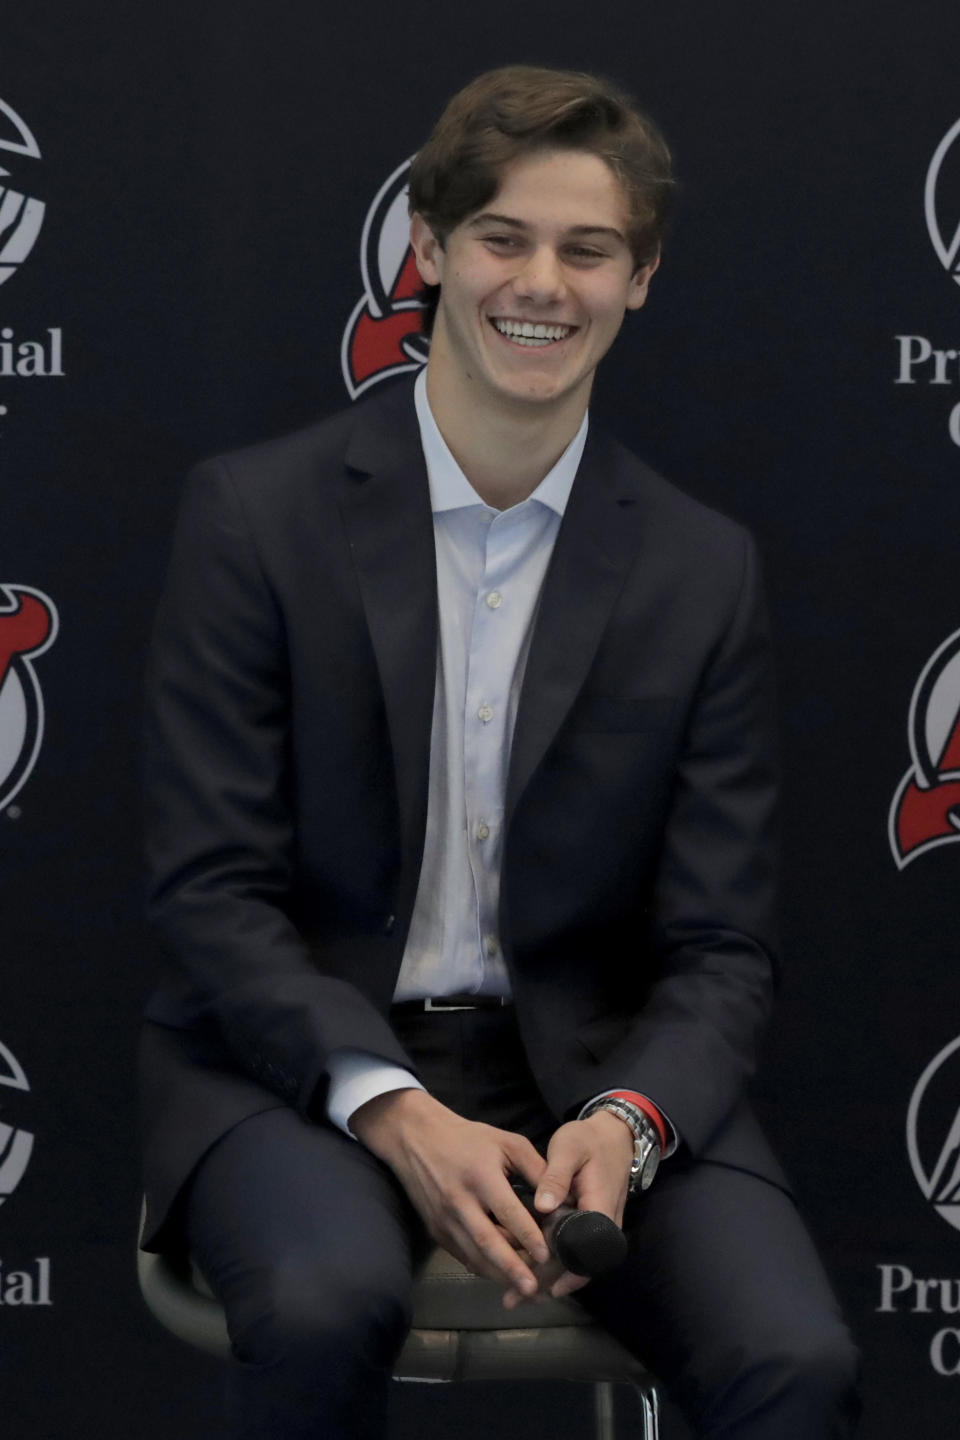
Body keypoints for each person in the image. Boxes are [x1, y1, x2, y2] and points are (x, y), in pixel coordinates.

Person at [140, 64, 860, 1439]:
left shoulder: (704, 567)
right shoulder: (252, 517)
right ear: (428, 247)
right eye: (503, 238)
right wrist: (392, 1105)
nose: (544, 282)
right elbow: (211, 896)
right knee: (319, 1302)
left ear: (639, 277)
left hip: (588, 1073)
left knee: (794, 1361)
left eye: (589, 249)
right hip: (297, 1070)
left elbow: (720, 946)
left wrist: (633, 1121)